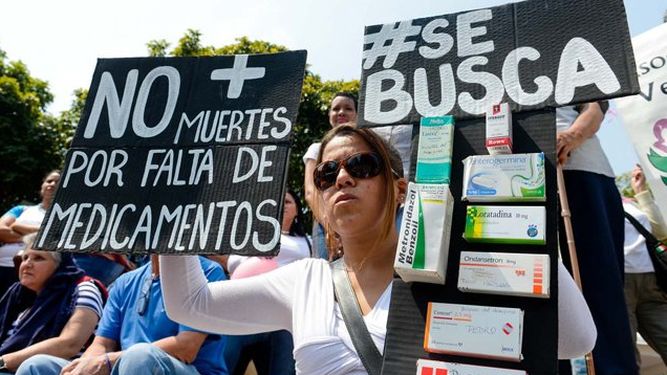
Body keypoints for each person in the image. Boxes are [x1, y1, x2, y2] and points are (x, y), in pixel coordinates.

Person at [160, 125, 597, 373]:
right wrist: (170, 200)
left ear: (401, 189)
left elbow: (577, 339)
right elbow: (190, 304)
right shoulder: (306, 282)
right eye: (326, 174)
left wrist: (516, 222)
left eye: (361, 165)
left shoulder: (457, 266)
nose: (342, 179)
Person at [16, 255, 228, 375]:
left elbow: (187, 348)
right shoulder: (126, 281)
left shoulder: (209, 272)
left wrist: (108, 361)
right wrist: (84, 367)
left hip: (189, 370)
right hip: (125, 365)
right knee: (36, 366)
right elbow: (102, 343)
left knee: (140, 356)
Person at [556, 102, 637, 374]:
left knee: (598, 287)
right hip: (510, 174)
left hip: (577, 168)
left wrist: (571, 137)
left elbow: (595, 106)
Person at [223, 190, 311, 375]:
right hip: (239, 313)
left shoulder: (308, 242)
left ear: (297, 210)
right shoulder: (248, 238)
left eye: (287, 202)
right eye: (277, 202)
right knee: (223, 368)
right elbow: (229, 263)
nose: (281, 205)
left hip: (281, 317)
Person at [0, 233, 103, 374]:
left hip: (62, 368)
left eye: (38, 258)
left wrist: (3, 362)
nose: (27, 264)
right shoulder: (19, 297)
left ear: (60, 265)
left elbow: (69, 344)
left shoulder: (83, 288)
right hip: (9, 367)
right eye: (25, 257)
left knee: (34, 364)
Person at [303, 92, 358, 260]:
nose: (341, 112)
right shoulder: (317, 149)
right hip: (324, 223)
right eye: (336, 109)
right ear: (329, 116)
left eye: (348, 108)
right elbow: (311, 192)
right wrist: (330, 227)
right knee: (326, 277)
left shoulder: (363, 147)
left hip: (357, 219)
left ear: (357, 115)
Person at [622, 165, 667, 366]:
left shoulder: (630, 203)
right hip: (621, 281)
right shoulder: (593, 204)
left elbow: (659, 230)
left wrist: (641, 191)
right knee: (627, 352)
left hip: (652, 280)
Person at [0, 171, 60, 295]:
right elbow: (1, 230)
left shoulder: (64, 217)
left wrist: (18, 227)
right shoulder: (21, 210)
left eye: (58, 182)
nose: (52, 184)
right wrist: (43, 234)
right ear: (42, 185)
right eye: (49, 181)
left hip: (35, 275)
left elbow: (58, 239)